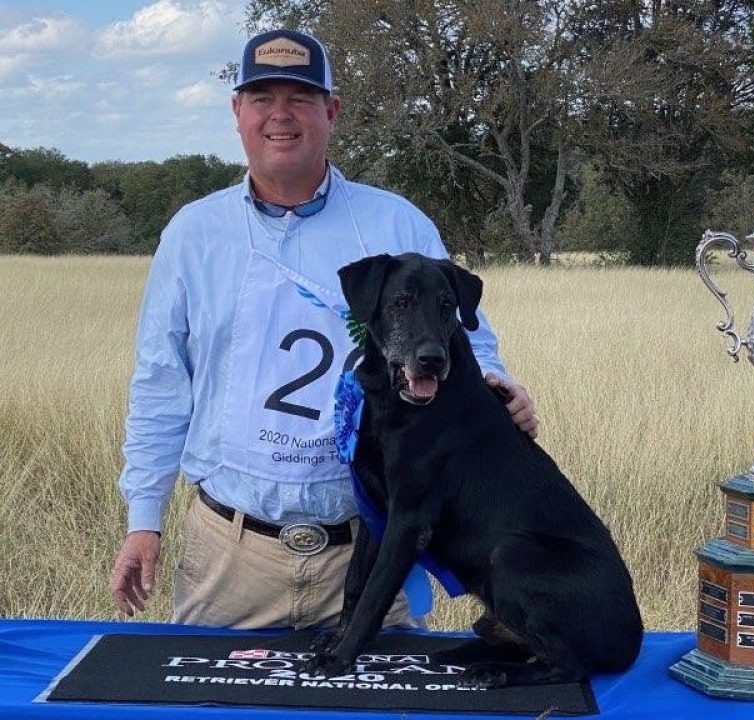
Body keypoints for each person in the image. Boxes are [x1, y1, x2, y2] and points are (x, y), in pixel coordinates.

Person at [110, 28, 539, 630]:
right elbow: (161, 382)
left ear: (331, 112)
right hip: (229, 558)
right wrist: (143, 519)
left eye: (301, 98)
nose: (279, 115)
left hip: (370, 550)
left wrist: (498, 385)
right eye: (262, 98)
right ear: (237, 111)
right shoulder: (193, 233)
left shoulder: (396, 223)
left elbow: (464, 338)